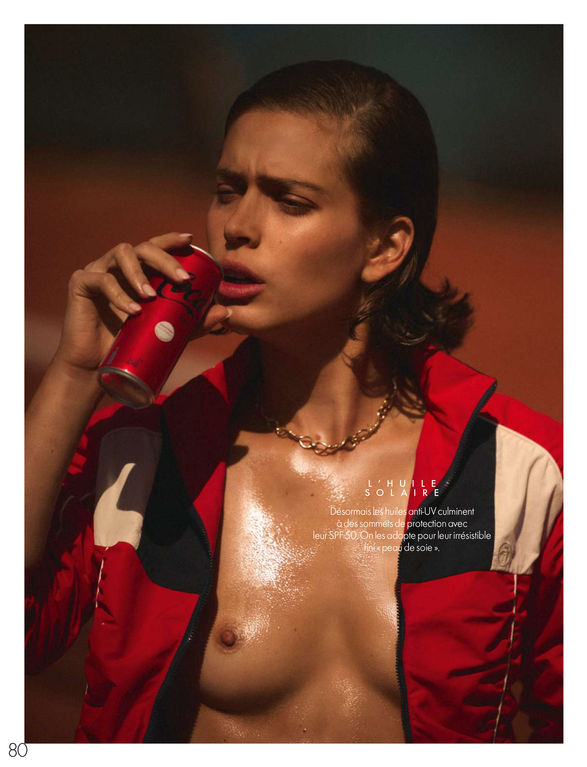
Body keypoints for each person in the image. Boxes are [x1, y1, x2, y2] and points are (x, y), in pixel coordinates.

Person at [25, 60, 562, 744]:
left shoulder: (521, 470)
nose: (237, 226)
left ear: (384, 246)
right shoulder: (147, 457)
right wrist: (75, 375)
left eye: (290, 201)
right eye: (228, 191)